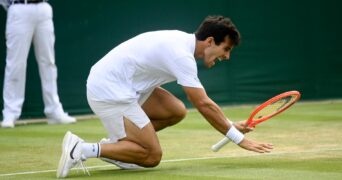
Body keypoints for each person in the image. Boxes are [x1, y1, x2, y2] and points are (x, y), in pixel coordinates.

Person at [57, 15, 273, 178]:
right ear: (209, 42)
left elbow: (203, 105)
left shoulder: (181, 43)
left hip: (126, 86)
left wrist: (231, 125)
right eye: (225, 49)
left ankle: (119, 147)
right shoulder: (181, 55)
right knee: (151, 156)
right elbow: (203, 104)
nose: (226, 56)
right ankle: (82, 149)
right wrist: (239, 139)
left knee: (176, 111)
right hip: (109, 90)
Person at [0, 0, 76, 128]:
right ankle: (10, 113)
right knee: (15, 64)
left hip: (43, 9)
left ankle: (54, 110)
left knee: (49, 63)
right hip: (18, 8)